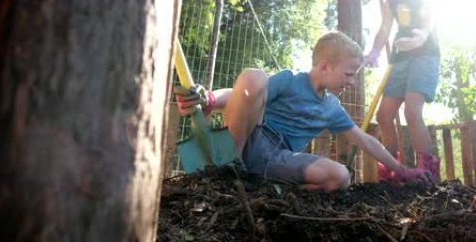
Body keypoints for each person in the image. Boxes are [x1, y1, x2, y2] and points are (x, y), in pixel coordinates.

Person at [173, 31, 430, 191]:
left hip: (278, 158)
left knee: (340, 176)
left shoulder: (332, 108)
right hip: (249, 138)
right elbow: (241, 94)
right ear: (326, 66)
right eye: (349, 74)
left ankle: (270, 189)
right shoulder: (290, 80)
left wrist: (401, 169)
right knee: (254, 76)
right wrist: (209, 99)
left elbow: (365, 141)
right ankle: (231, 167)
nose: (351, 82)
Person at [364, 0, 442, 182]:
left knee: (411, 109)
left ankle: (427, 167)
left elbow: (430, 16)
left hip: (425, 55)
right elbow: (384, 30)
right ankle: (392, 168)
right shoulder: (391, 2)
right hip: (399, 60)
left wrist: (422, 35)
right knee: (384, 115)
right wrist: (374, 52)